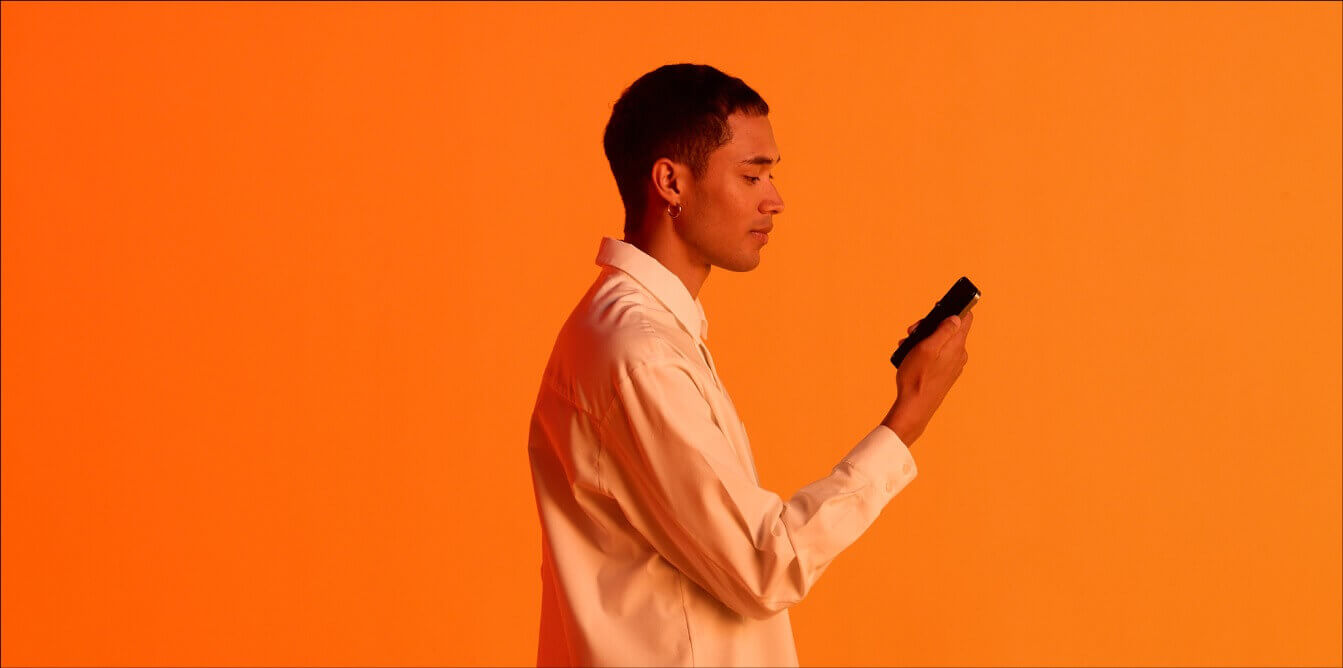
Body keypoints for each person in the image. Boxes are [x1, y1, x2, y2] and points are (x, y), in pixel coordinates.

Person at [527, 63, 974, 667]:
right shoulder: (641, 354)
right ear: (671, 183)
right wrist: (907, 419)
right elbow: (766, 564)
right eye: (750, 174)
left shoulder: (638, 334)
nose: (775, 199)